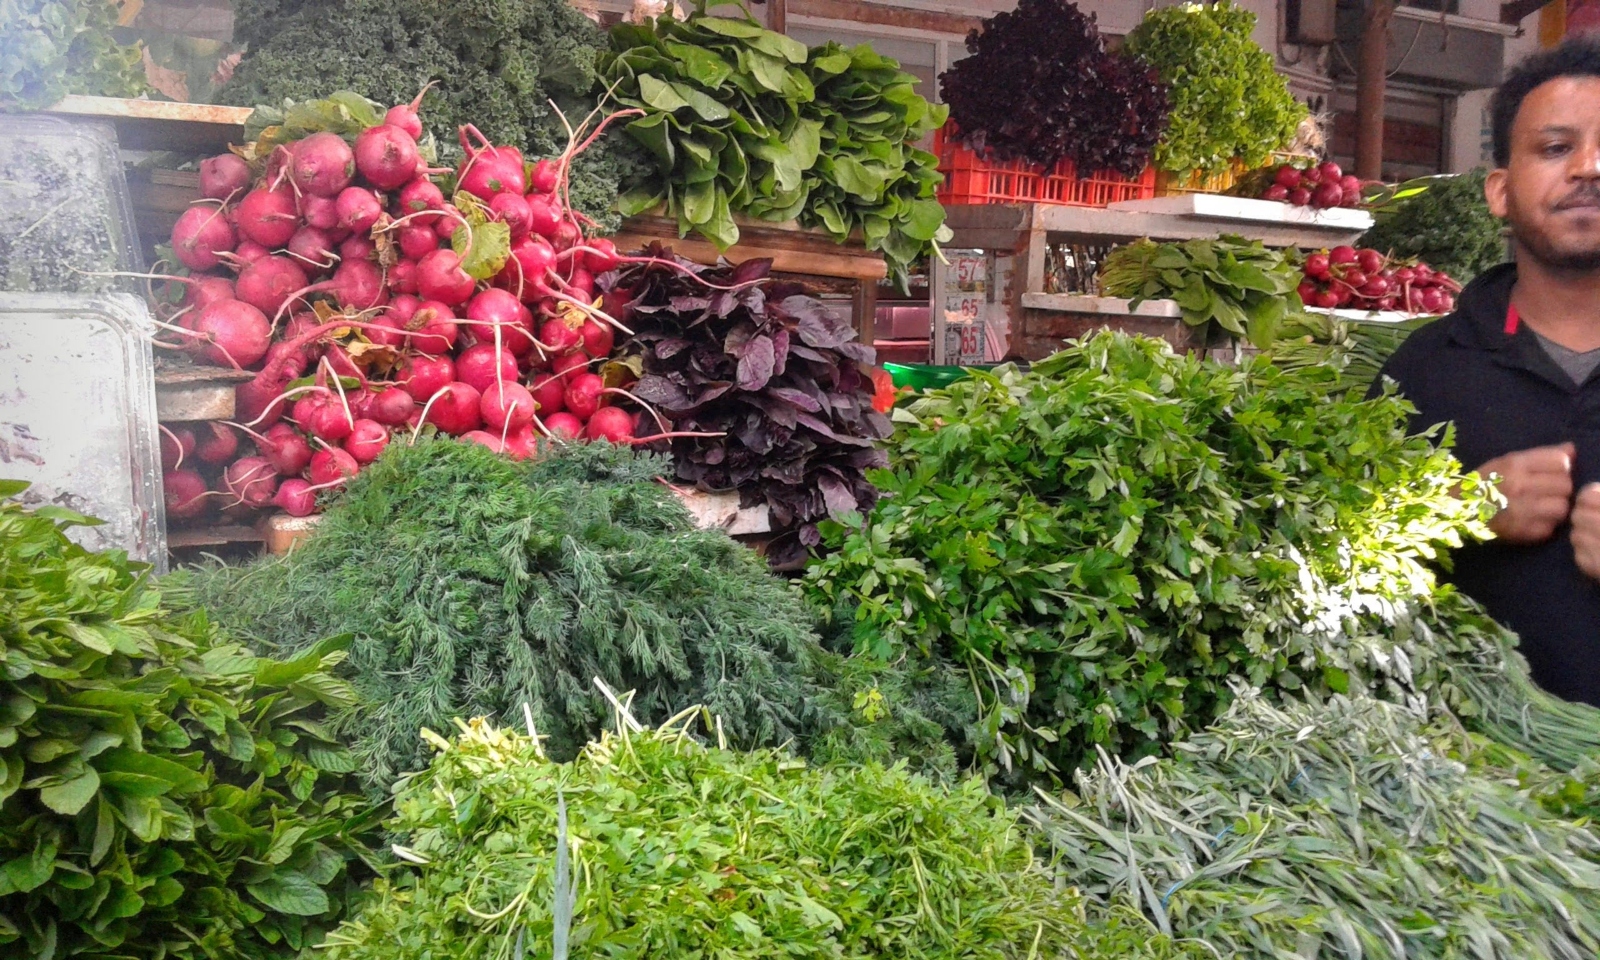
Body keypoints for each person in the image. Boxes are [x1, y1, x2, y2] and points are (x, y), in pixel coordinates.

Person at [1374, 36, 1600, 706]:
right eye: (1556, 148)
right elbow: (1329, 571)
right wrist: (1451, 513)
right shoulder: (1421, 375)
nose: (1590, 166)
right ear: (1499, 192)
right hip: (1471, 786)